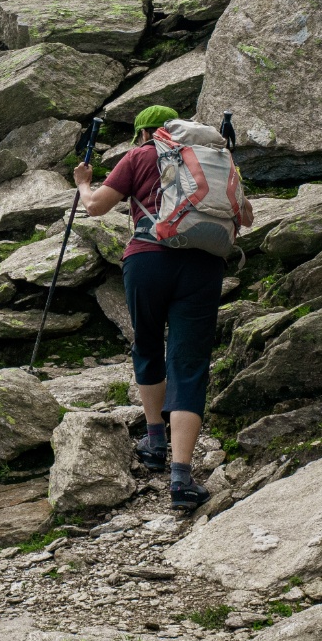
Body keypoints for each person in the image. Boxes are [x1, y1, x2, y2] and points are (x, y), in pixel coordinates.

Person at [74, 105, 254, 511]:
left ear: (144, 132)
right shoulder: (215, 158)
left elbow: (96, 207)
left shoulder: (140, 153)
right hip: (204, 265)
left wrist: (84, 184)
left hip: (148, 260)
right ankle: (181, 477)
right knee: (189, 363)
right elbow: (244, 213)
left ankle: (155, 439)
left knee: (149, 345)